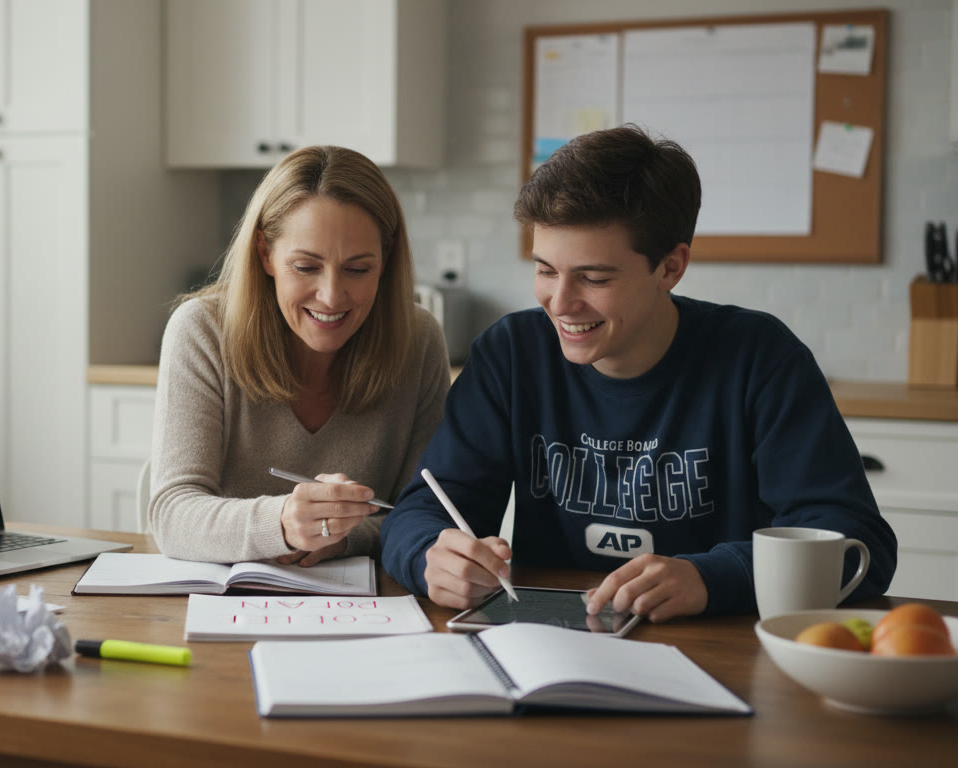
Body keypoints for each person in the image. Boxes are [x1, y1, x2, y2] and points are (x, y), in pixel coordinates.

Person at [380, 124, 896, 619]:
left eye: (594, 277)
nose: (560, 303)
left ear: (670, 267)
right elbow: (419, 513)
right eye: (545, 270)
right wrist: (430, 556)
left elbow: (856, 542)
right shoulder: (511, 354)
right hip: (552, 643)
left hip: (721, 654)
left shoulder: (760, 359)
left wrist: (713, 578)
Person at [149, 145, 450, 566]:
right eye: (306, 267)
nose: (331, 296)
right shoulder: (201, 331)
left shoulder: (419, 341)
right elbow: (172, 514)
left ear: (387, 259)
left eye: (358, 269)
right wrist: (285, 525)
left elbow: (417, 514)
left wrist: (341, 537)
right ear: (264, 253)